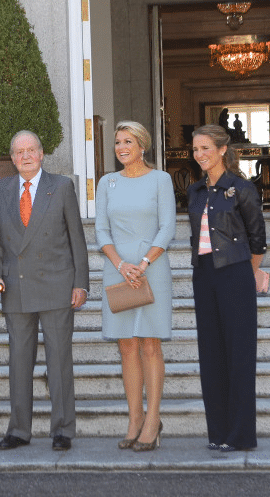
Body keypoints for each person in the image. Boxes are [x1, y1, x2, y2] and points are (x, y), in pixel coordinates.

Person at [0, 130, 89, 452]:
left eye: (31, 150)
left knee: (59, 362)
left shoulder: (61, 186)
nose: (25, 156)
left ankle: (63, 430)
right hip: (15, 285)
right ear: (12, 157)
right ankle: (19, 430)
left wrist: (81, 282)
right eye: (19, 152)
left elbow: (77, 239)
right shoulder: (0, 189)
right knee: (19, 362)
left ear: (42, 154)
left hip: (56, 284)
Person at [95, 121, 176, 452]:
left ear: (143, 145)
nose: (121, 147)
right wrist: (121, 265)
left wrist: (142, 264)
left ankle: (153, 420)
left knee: (150, 345)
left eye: (128, 141)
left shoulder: (161, 180)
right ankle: (135, 419)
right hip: (117, 271)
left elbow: (167, 227)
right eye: (117, 142)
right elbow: (101, 231)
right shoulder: (107, 182)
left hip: (151, 271)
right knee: (126, 346)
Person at [188, 124, 267, 452]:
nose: (200, 155)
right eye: (195, 150)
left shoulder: (242, 188)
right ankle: (217, 433)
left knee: (239, 356)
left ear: (222, 150)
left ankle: (241, 436)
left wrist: (249, 275)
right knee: (211, 356)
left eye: (206, 148)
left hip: (236, 273)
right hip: (203, 275)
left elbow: (258, 239)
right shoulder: (194, 192)